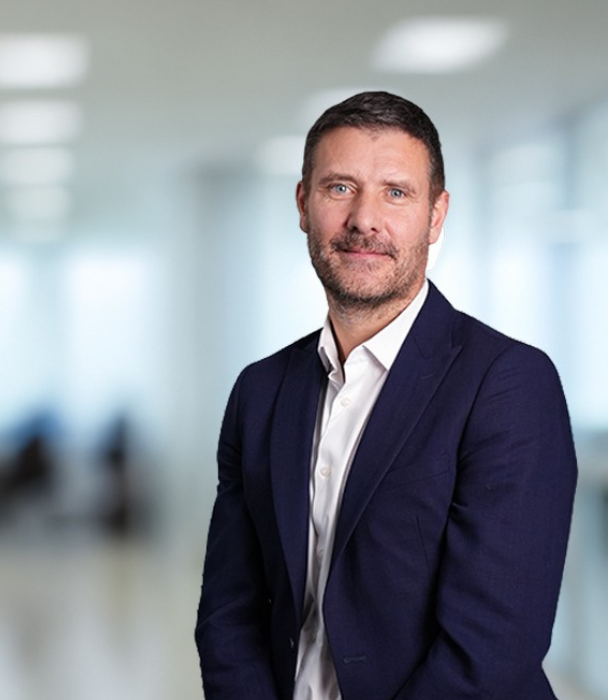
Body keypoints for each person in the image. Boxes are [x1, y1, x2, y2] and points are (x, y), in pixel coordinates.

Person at [193, 91, 577, 700]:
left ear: (436, 215)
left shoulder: (508, 384)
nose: (364, 220)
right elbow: (229, 613)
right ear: (303, 203)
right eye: (339, 188)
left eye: (396, 192)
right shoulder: (259, 392)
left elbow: (494, 649)